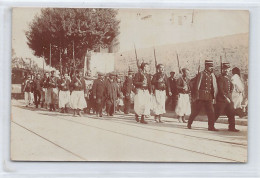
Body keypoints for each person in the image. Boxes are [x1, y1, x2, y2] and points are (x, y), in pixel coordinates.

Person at [187, 60, 218, 131]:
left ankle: (211, 126)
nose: (211, 68)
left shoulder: (212, 75)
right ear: (206, 66)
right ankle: (189, 123)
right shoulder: (201, 74)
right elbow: (197, 85)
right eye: (210, 66)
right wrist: (196, 95)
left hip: (209, 96)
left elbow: (213, 87)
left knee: (211, 112)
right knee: (196, 111)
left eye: (212, 66)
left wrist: (213, 96)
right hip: (201, 96)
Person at [215, 63, 240, 132]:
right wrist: (226, 97)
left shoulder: (228, 77)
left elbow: (231, 87)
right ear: (222, 69)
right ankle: (211, 125)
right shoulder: (220, 78)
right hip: (222, 99)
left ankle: (232, 127)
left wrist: (230, 95)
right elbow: (220, 89)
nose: (226, 70)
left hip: (229, 98)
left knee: (232, 113)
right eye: (225, 69)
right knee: (217, 113)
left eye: (227, 69)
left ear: (229, 70)